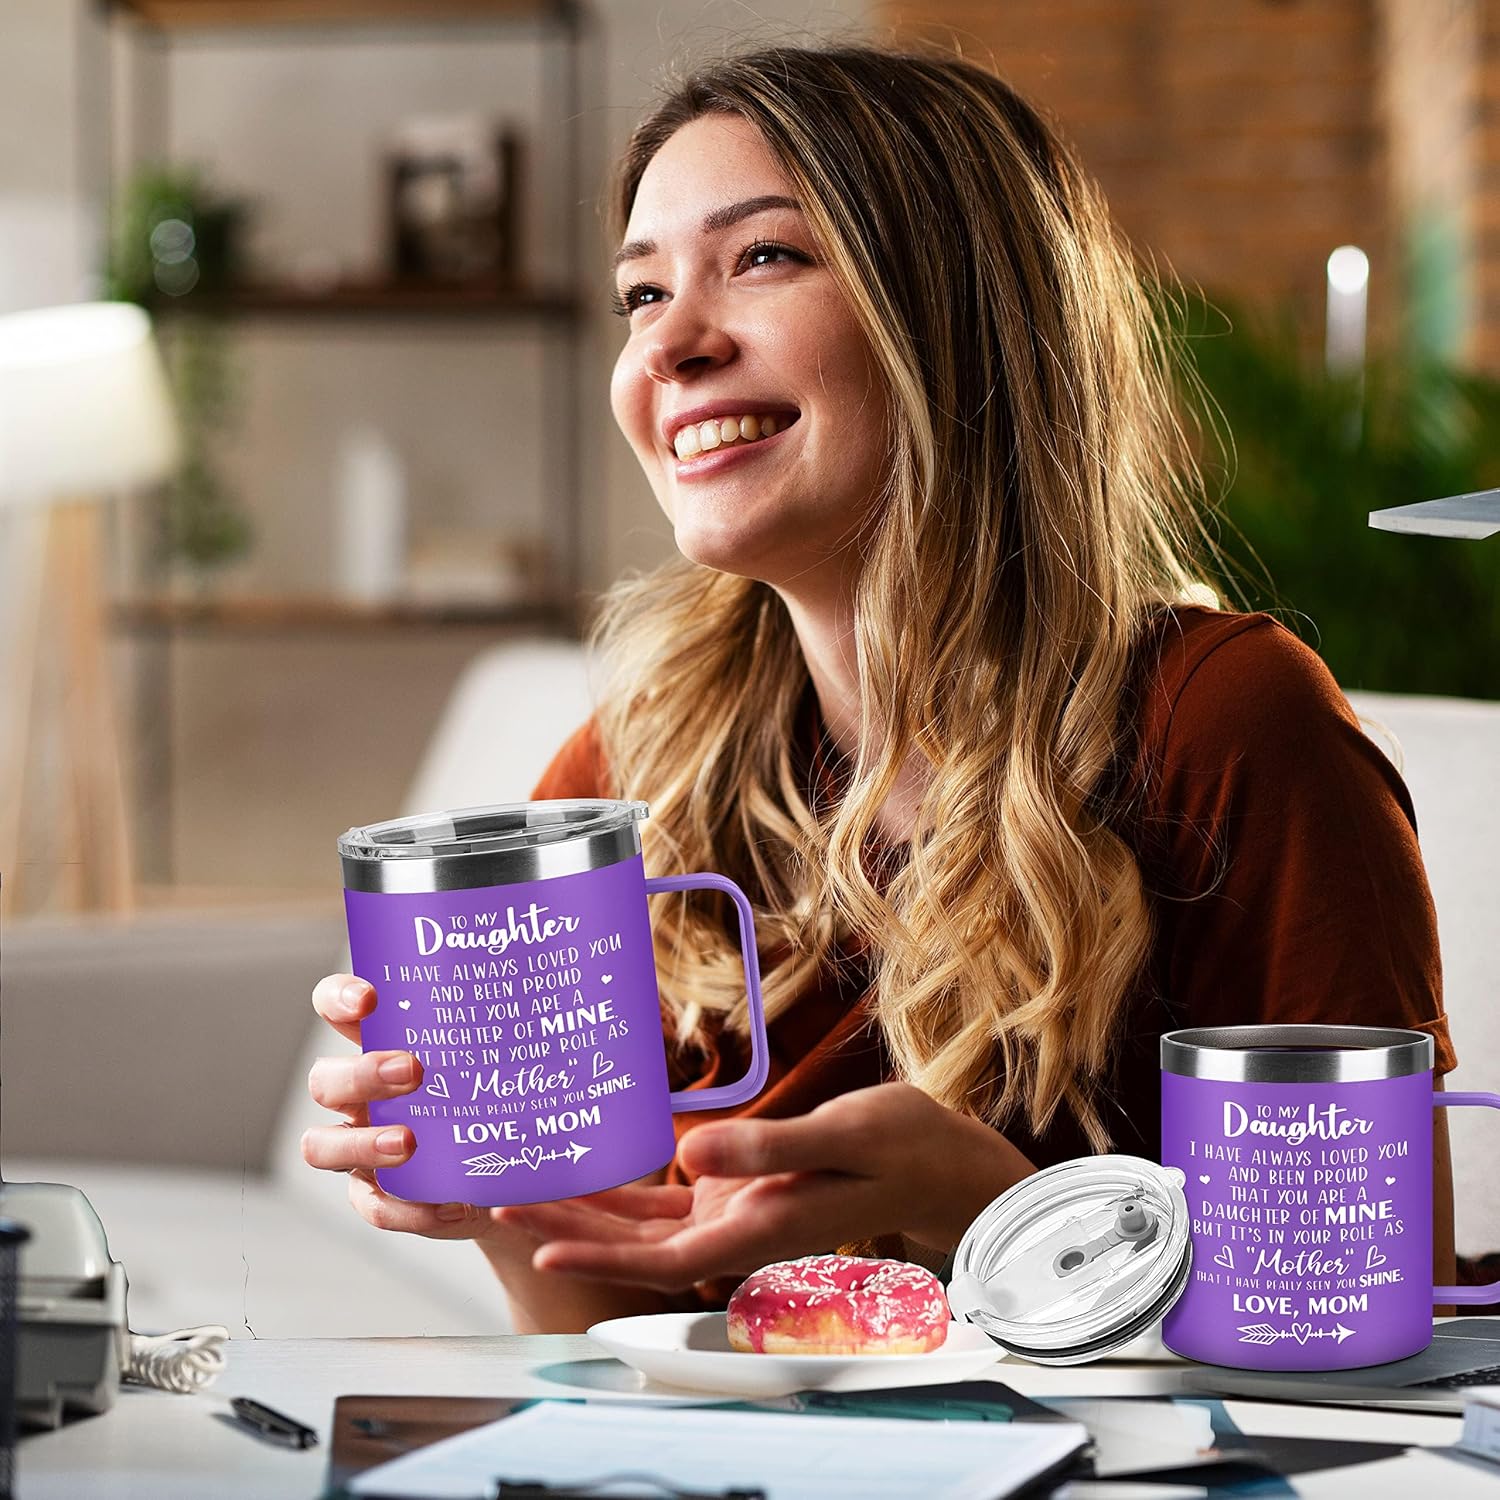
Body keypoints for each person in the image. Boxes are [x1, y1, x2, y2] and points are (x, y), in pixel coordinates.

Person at [302, 41, 1456, 1333]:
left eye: (763, 258)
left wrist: (993, 1219)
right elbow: (606, 1346)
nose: (669, 345)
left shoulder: (1228, 726)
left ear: (957, 310)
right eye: (639, 293)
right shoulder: (632, 771)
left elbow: (1360, 1338)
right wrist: (506, 1205)